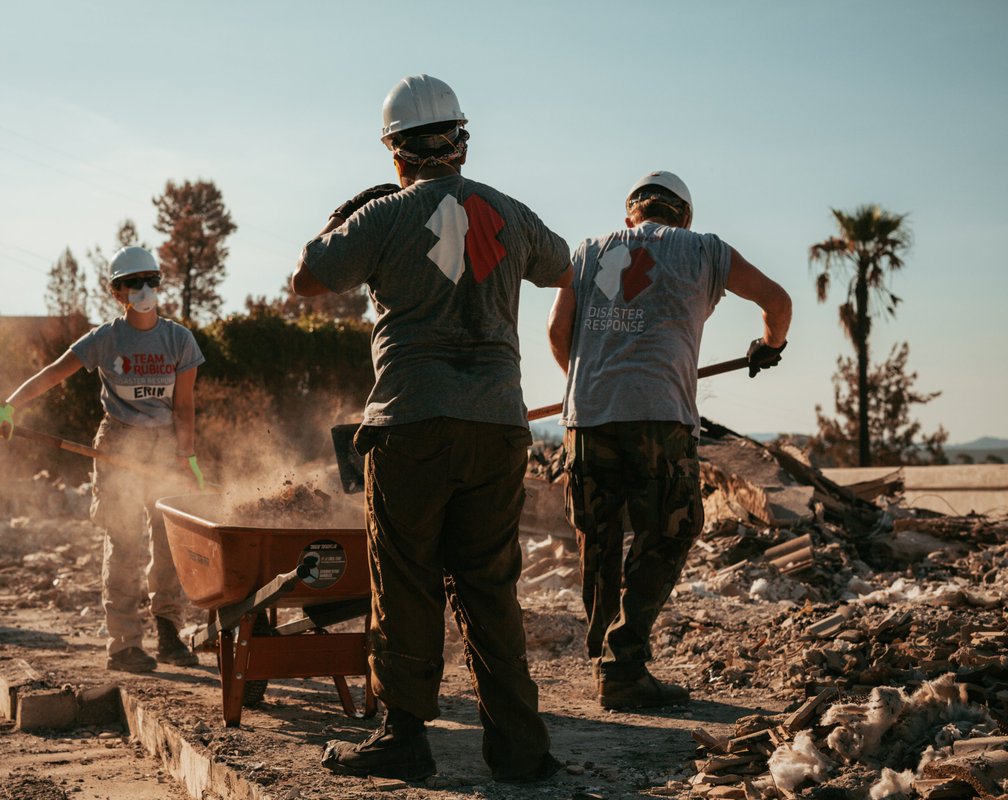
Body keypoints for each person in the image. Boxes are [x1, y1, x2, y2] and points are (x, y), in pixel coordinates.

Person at [292, 74, 573, 783]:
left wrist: (348, 213)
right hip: (500, 426)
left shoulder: (385, 214)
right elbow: (563, 264)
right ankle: (521, 749)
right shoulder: (507, 212)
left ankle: (403, 738)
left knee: (407, 582)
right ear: (462, 141)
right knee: (490, 589)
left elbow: (308, 278)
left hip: (412, 422)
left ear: (395, 152)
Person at [547, 170, 793, 709]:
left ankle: (604, 661)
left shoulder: (590, 251)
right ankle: (623, 663)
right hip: (660, 414)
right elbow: (777, 301)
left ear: (630, 214)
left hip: (585, 418)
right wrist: (768, 345)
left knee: (600, 537)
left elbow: (556, 333)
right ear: (684, 216)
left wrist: (588, 385)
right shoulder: (704, 249)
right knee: (671, 528)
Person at [0, 246, 204, 673]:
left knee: (168, 542)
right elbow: (53, 372)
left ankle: (168, 633)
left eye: (151, 281)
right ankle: (123, 645)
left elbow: (186, 406)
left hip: (163, 447)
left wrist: (187, 455)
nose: (144, 290)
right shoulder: (105, 339)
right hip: (118, 445)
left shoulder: (180, 339)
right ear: (117, 291)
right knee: (123, 544)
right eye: (134, 283)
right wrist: (9, 404)